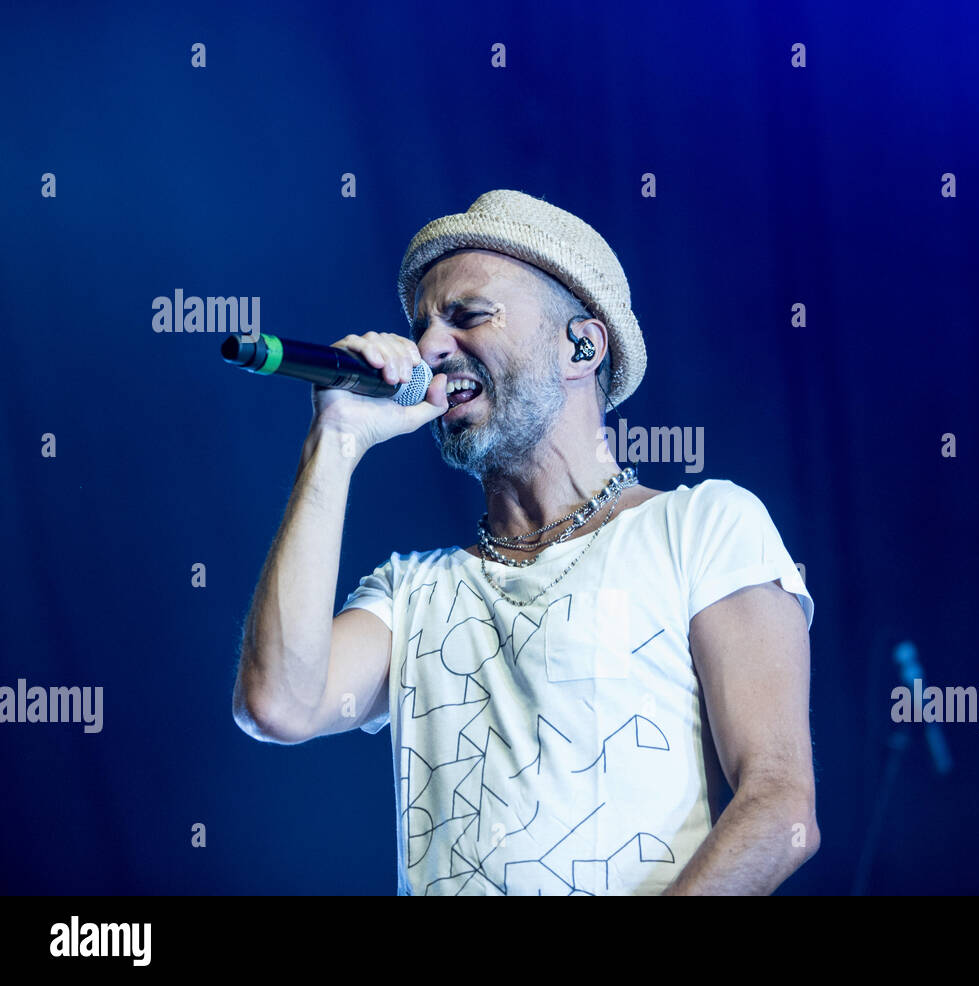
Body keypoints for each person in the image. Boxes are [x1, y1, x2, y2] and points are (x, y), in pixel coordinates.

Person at [232, 189, 818, 895]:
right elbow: (278, 705)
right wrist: (336, 440)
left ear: (580, 344)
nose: (430, 348)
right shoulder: (414, 593)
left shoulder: (702, 525)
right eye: (421, 327)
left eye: (468, 316)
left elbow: (780, 806)